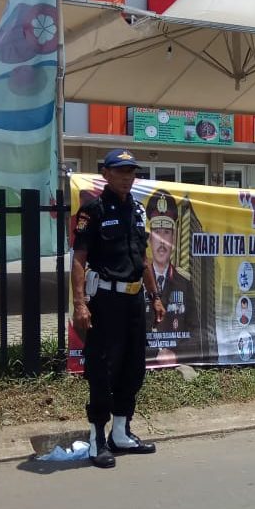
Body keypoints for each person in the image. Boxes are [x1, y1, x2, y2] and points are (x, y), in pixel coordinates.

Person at [72, 149, 165, 468]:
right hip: (106, 301)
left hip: (134, 300)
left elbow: (144, 258)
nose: (128, 177)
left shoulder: (138, 211)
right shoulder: (93, 210)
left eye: (132, 172)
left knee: (133, 367)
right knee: (102, 368)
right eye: (121, 171)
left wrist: (154, 296)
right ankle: (97, 438)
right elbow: (79, 259)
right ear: (105, 173)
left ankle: (121, 434)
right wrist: (79, 302)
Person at [145, 189, 198, 364]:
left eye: (166, 232)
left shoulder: (184, 282)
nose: (162, 241)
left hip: (176, 360)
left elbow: (196, 331)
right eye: (157, 232)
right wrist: (155, 354)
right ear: (149, 239)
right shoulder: (137, 281)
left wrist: (176, 354)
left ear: (174, 237)